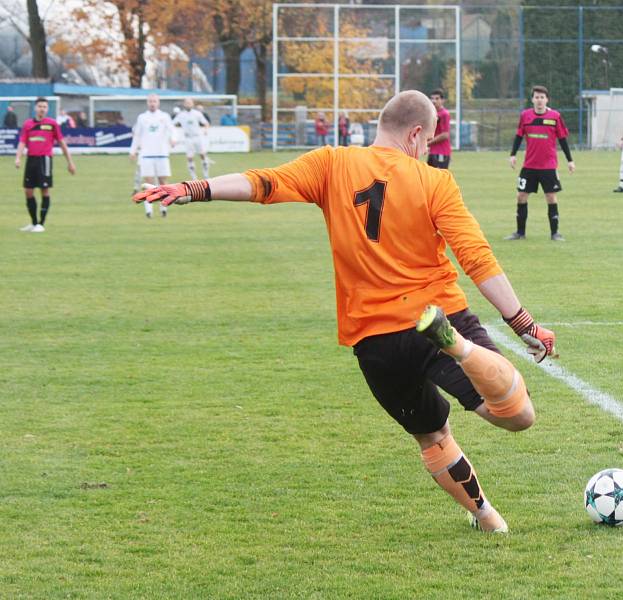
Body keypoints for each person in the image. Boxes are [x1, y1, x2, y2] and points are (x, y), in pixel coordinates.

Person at [133, 90, 557, 534]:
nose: (428, 149)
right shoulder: (434, 182)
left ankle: (488, 519)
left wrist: (192, 189)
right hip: (436, 314)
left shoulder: (331, 164)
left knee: (431, 436)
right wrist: (523, 323)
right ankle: (459, 348)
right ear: (415, 133)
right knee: (515, 415)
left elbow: (262, 182)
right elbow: (476, 256)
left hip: (374, 339)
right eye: (428, 141)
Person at [506, 85, 575, 242]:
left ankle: (555, 233)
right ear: (532, 99)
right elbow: (518, 136)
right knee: (521, 196)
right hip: (529, 165)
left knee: (551, 197)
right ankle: (520, 233)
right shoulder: (525, 116)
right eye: (536, 97)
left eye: (542, 97)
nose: (539, 100)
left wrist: (570, 160)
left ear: (547, 99)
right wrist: (513, 155)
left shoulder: (555, 116)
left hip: (548, 166)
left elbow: (563, 140)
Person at [15, 97, 76, 233]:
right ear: (35, 108)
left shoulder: (52, 124)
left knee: (45, 190)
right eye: (40, 106)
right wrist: (18, 158)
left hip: (45, 160)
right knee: (28, 191)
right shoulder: (28, 124)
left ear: (47, 109)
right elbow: (22, 142)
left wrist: (70, 162)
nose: (42, 109)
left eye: (44, 107)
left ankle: (41, 224)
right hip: (31, 160)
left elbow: (62, 143)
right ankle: (33, 223)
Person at [130, 94, 174, 218]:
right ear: (147, 103)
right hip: (147, 155)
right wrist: (132, 151)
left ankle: (163, 208)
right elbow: (137, 135)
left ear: (158, 102)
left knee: (163, 182)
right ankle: (149, 210)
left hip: (162, 154)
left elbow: (172, 130)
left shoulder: (164, 116)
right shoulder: (142, 118)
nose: (152, 103)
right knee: (148, 183)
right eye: (150, 101)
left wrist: (174, 139)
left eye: (154, 101)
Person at [173, 97, 211, 179]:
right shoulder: (181, 115)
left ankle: (206, 175)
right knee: (189, 158)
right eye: (186, 103)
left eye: (190, 103)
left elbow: (206, 123)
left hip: (197, 137)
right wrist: (173, 135)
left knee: (202, 155)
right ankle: (194, 178)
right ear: (184, 104)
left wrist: (205, 130)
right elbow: (172, 124)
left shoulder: (197, 114)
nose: (188, 104)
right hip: (188, 138)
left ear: (193, 104)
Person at [427, 89, 451, 169]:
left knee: (439, 178)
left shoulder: (444, 114)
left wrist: (428, 143)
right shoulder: (432, 113)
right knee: (429, 177)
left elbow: (445, 135)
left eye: (437, 98)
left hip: (441, 152)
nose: (434, 101)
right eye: (432, 98)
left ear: (442, 100)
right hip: (432, 151)